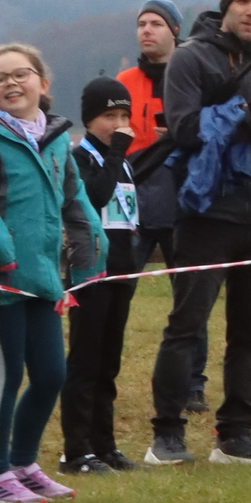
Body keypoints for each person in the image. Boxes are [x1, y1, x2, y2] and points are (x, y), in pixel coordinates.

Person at [145, 0, 251, 466]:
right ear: (227, 6)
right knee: (186, 327)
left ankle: (236, 435)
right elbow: (185, 128)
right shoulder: (190, 57)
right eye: (244, 2)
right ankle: (166, 435)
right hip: (205, 213)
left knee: (248, 332)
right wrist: (250, 118)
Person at [0, 43, 107, 503]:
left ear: (42, 84)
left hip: (43, 281)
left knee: (50, 375)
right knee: (6, 375)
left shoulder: (59, 140)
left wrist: (91, 254)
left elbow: (75, 201)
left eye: (21, 74)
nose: (11, 83)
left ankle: (23, 466)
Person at [119, 0, 207, 414]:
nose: (146, 30)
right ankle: (102, 375)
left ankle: (193, 385)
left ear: (175, 31)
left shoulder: (192, 78)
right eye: (141, 23)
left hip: (182, 203)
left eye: (156, 23)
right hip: (131, 204)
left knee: (190, 298)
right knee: (116, 293)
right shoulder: (123, 83)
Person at [60, 76, 144, 472]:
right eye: (110, 116)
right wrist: (117, 152)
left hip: (122, 272)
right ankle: (76, 449)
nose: (119, 124)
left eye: (124, 116)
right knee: (85, 362)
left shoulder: (122, 161)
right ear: (90, 120)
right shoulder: (82, 159)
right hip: (91, 272)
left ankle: (104, 444)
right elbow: (95, 195)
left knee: (109, 363)